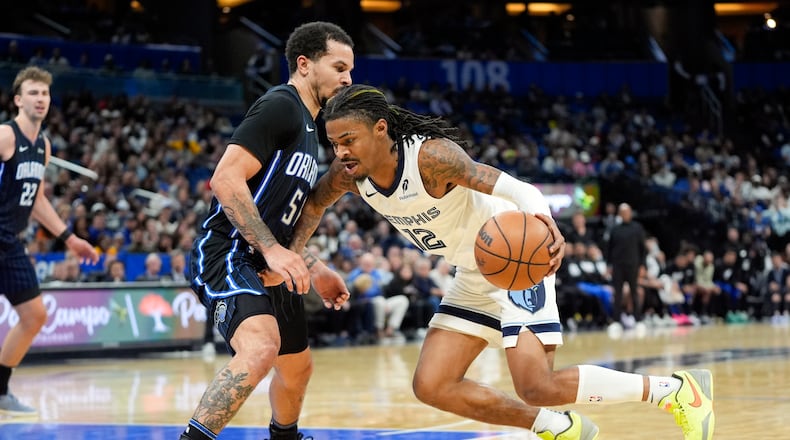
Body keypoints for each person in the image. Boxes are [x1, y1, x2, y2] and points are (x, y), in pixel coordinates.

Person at [288, 84, 715, 440]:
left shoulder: (432, 158)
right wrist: (296, 257)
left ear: (381, 129)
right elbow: (312, 208)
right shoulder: (350, 176)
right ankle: (556, 427)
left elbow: (521, 190)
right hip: (473, 271)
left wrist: (546, 228)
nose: (340, 151)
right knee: (432, 385)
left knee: (536, 384)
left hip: (516, 259)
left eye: (349, 140)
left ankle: (675, 391)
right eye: (334, 143)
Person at [180, 22, 353, 440]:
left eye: (350, 70)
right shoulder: (280, 105)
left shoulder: (312, 130)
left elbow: (292, 211)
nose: (348, 79)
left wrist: (312, 264)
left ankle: (284, 438)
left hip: (266, 255)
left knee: (297, 367)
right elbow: (224, 180)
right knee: (260, 349)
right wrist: (274, 251)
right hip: (228, 252)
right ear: (305, 64)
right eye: (340, 67)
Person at [0, 66, 99, 415]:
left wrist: (70, 238)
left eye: (44, 93)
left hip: (10, 240)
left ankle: (0, 390)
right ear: (17, 100)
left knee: (34, 315)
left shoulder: (42, 145)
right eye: (32, 92)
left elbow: (37, 199)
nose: (40, 99)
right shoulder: (4, 135)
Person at [607, 203, 647, 331]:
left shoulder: (637, 228)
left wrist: (642, 265)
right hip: (618, 266)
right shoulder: (615, 229)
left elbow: (643, 249)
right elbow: (609, 249)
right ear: (619, 214)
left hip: (633, 265)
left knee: (634, 292)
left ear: (630, 213)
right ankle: (616, 320)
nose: (625, 214)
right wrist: (609, 265)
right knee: (617, 294)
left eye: (627, 212)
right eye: (622, 212)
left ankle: (638, 319)